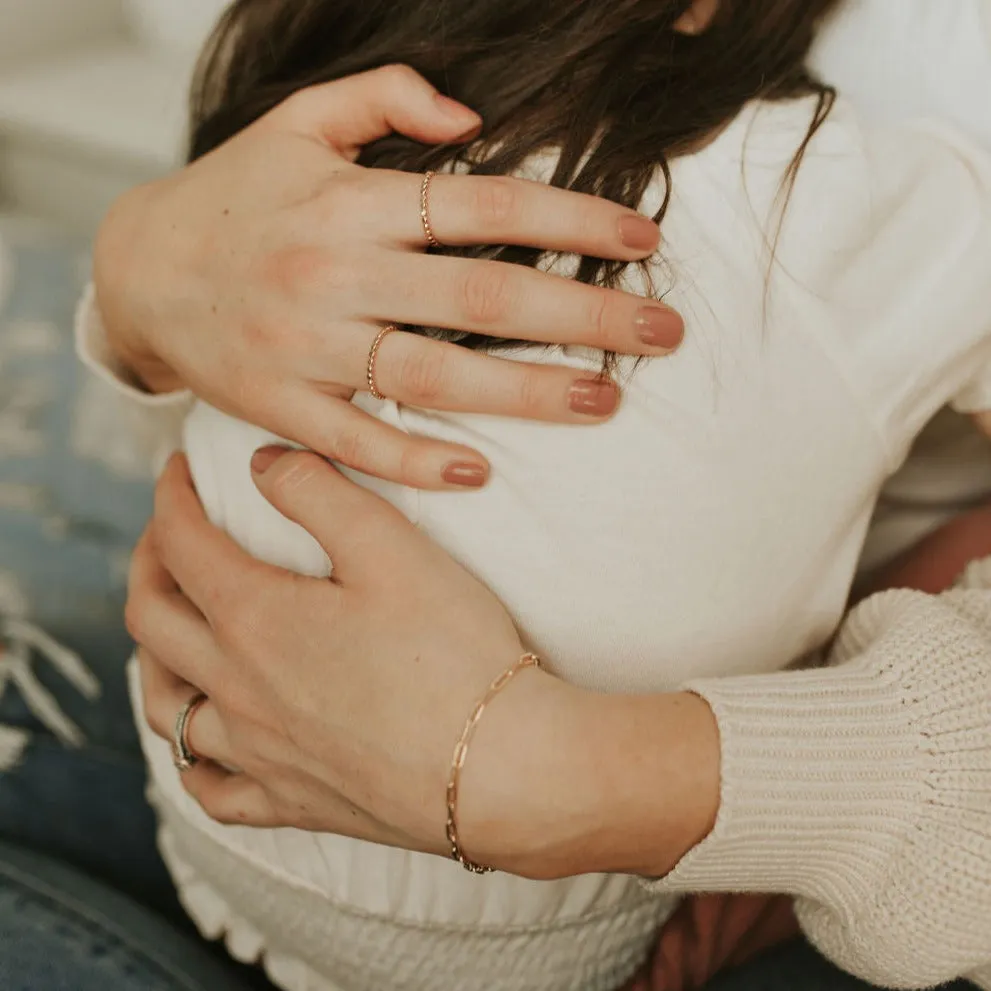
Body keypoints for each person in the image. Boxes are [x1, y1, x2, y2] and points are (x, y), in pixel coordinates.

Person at [81, 0, 991, 989]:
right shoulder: (858, 196)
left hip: (271, 826)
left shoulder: (850, 184)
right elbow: (211, 376)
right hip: (231, 797)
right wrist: (136, 276)